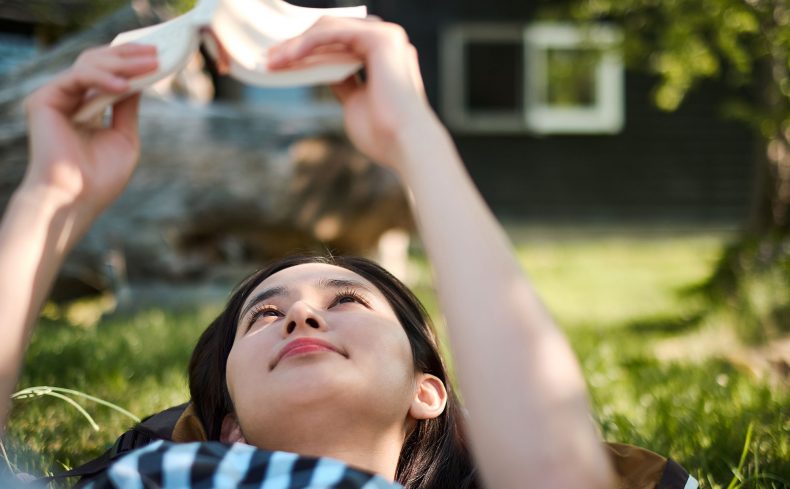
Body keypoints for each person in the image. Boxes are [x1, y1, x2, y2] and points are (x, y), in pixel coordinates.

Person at [0, 15, 685, 489]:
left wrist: (415, 139)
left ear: (429, 392)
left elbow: (556, 472)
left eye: (347, 301)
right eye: (264, 315)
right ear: (230, 423)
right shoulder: (168, 473)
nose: (300, 316)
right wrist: (49, 195)